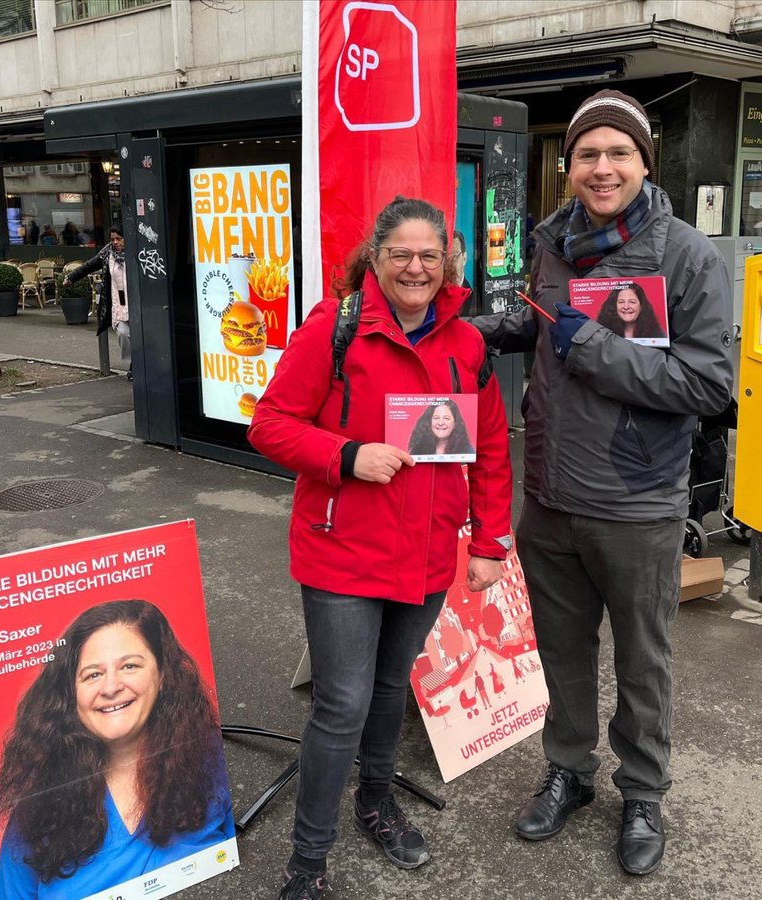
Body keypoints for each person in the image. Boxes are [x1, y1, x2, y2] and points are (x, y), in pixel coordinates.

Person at [469, 88, 734, 876]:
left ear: (644, 162)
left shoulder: (685, 254)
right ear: (569, 164)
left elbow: (708, 384)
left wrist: (593, 351)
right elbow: (543, 324)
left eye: (619, 152)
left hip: (637, 501)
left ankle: (644, 793)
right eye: (588, 153)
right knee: (562, 651)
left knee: (643, 661)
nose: (602, 166)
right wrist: (472, 330)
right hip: (549, 495)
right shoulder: (552, 243)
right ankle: (570, 772)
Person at [246, 195, 513, 900]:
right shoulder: (333, 331)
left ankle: (377, 801)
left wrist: (489, 541)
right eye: (401, 254)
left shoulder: (468, 344)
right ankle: (308, 861)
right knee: (341, 702)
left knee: (392, 688)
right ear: (376, 258)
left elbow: (490, 450)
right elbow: (270, 424)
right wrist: (347, 455)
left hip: (427, 553)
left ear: (448, 263)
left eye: (430, 256)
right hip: (344, 552)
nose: (416, 267)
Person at [0, 598, 234, 899]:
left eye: (129, 665)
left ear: (163, 676)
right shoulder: (38, 809)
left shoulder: (210, 763)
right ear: (70, 695)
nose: (110, 687)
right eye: (93, 674)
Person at [65, 226, 131, 380]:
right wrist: (71, 277)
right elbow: (89, 265)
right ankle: (133, 361)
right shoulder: (108, 253)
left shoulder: (135, 251)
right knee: (123, 332)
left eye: (119, 239)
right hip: (118, 301)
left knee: (138, 335)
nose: (115, 242)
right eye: (112, 239)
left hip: (135, 300)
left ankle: (136, 366)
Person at [595, 282, 666, 341]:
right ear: (614, 305)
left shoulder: (657, 334)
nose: (626, 307)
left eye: (632, 302)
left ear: (641, 306)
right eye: (621, 302)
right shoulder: (601, 332)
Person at [406, 399, 474, 457]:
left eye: (447, 418)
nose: (440, 423)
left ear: (455, 423)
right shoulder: (418, 450)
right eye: (436, 418)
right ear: (429, 422)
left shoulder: (467, 451)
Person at [450, 230, 475, 316]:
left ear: (464, 258)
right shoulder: (435, 296)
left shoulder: (474, 296)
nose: (450, 264)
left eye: (454, 256)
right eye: (445, 257)